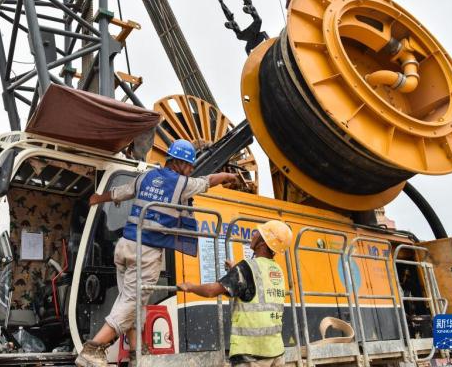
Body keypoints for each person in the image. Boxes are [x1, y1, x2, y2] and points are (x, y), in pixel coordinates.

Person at [75, 139, 238, 366]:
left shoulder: (145, 177)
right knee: (132, 302)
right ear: (180, 163)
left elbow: (120, 192)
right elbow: (208, 181)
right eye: (189, 165)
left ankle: (137, 352)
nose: (191, 170)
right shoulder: (182, 183)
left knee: (131, 301)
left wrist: (97, 199)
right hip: (146, 252)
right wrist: (228, 177)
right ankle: (93, 348)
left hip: (124, 246)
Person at [178, 220, 292, 367]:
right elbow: (255, 289)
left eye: (257, 233)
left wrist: (190, 287)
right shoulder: (277, 270)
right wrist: (236, 270)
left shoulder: (246, 268)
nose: (253, 235)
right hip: (276, 352)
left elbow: (212, 291)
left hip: (252, 355)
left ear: (263, 243)